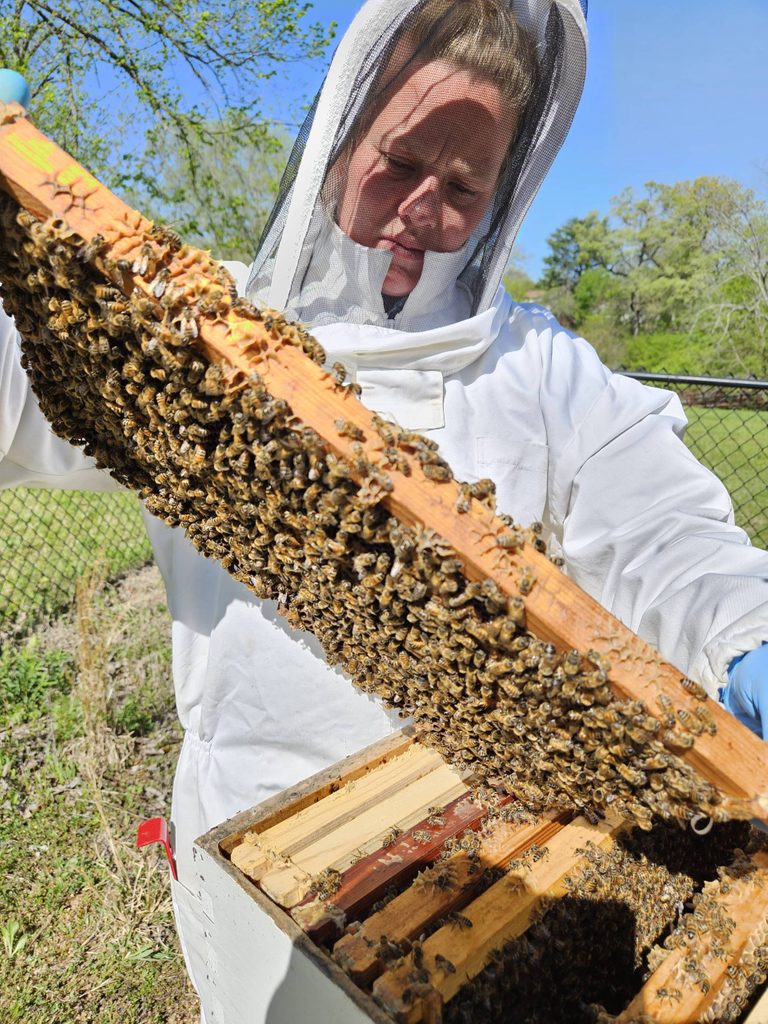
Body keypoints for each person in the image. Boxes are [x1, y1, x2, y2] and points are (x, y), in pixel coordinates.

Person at [0, 0, 766, 1019]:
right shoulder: (200, 330)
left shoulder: (542, 368)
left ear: (503, 200)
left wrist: (749, 632)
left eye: (463, 184)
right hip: (258, 852)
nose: (422, 205)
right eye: (401, 159)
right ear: (337, 141)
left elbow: (668, 533)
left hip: (500, 840)